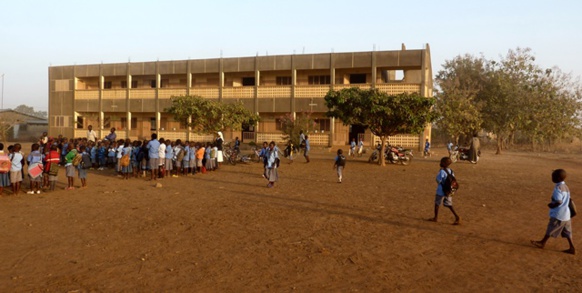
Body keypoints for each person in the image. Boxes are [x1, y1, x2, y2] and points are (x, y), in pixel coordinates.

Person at [531, 169, 576, 255]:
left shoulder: (558, 188)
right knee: (567, 232)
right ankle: (572, 247)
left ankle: (542, 243)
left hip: (559, 214)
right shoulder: (566, 187)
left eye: (553, 176)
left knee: (551, 228)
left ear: (558, 178)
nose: (552, 178)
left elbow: (558, 201)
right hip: (566, 215)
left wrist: (551, 205)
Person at [429, 157, 461, 225]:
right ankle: (457, 216)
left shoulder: (442, 171)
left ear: (444, 163)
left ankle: (435, 217)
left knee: (437, 204)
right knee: (449, 204)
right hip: (449, 190)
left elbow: (438, 180)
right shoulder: (451, 171)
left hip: (441, 190)